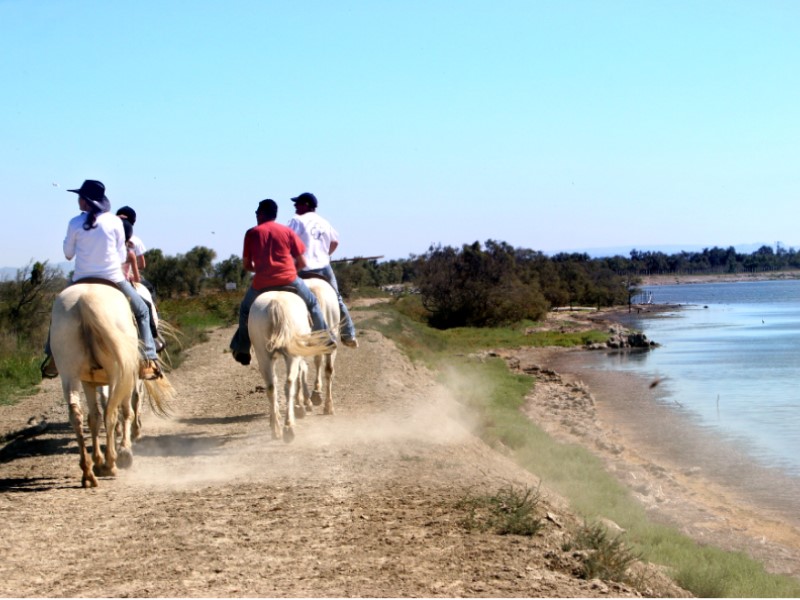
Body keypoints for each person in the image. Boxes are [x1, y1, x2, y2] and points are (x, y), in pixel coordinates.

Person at [40, 180, 162, 379]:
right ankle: (148, 359)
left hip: (80, 279)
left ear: (86, 201)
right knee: (142, 309)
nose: (78, 200)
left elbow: (68, 254)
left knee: (58, 311)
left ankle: (53, 357)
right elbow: (122, 255)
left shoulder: (74, 222)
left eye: (80, 197)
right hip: (113, 279)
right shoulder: (114, 222)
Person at [229, 199, 335, 366]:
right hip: (290, 280)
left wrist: (262, 270)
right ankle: (325, 339)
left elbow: (247, 265)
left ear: (263, 214)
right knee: (313, 304)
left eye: (258, 211)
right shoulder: (287, 232)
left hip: (261, 284)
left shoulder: (252, 233)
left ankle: (243, 349)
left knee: (244, 311)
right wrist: (290, 270)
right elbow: (301, 262)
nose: (256, 214)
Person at [287, 192, 358, 348]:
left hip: (301, 268)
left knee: (286, 299)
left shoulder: (296, 220)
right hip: (324, 268)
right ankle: (349, 334)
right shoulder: (324, 222)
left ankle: (286, 333)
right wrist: (325, 254)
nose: (294, 206)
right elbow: (335, 241)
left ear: (306, 205)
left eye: (297, 203)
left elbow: (287, 240)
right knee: (337, 299)